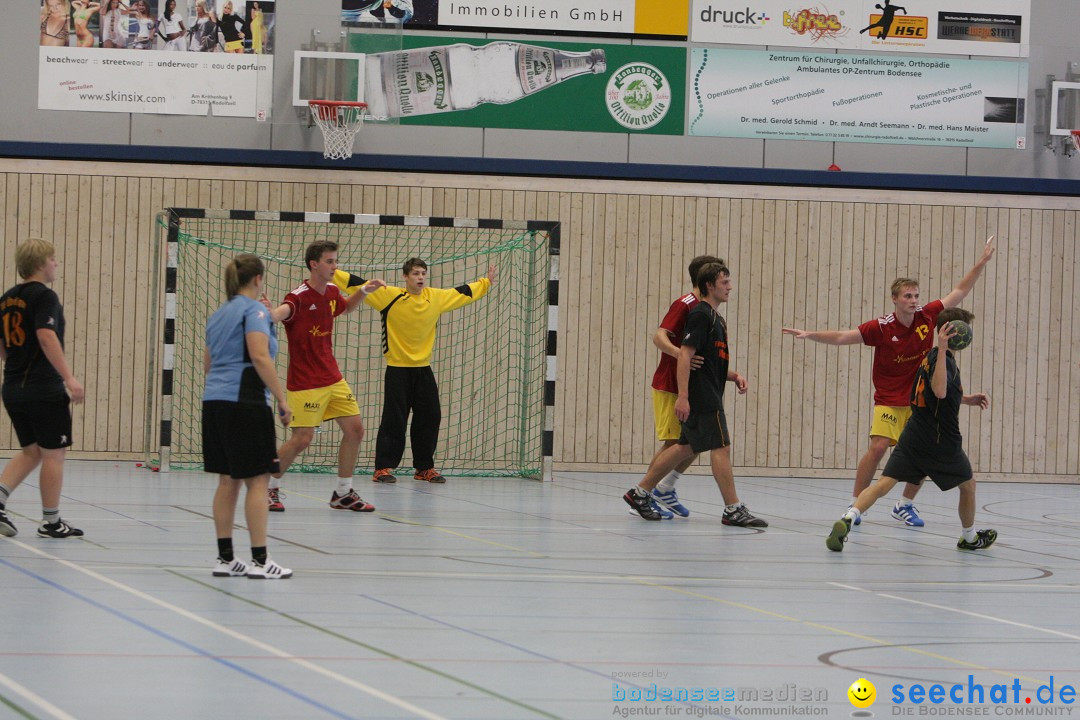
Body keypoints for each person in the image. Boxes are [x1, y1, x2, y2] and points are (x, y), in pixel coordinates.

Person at [782, 236, 995, 527]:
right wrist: (810, 334)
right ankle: (856, 502)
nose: (913, 301)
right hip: (888, 399)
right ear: (895, 299)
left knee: (924, 453)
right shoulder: (881, 327)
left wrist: (980, 263)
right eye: (907, 296)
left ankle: (904, 505)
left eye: (916, 296)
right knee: (879, 447)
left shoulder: (927, 316)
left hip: (919, 402)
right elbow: (844, 336)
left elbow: (960, 290)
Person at [827, 308, 996, 552]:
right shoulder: (941, 358)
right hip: (941, 438)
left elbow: (934, 394)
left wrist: (966, 398)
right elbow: (939, 391)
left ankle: (848, 517)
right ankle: (969, 538)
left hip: (914, 433)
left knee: (884, 483)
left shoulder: (928, 357)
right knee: (968, 485)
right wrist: (943, 349)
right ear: (950, 331)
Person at [623, 261, 767, 528]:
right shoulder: (696, 311)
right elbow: (678, 349)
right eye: (725, 282)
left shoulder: (715, 317)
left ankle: (642, 492)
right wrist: (683, 395)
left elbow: (709, 361)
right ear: (708, 285)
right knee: (717, 446)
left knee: (686, 446)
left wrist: (733, 375)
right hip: (696, 392)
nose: (730, 287)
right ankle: (732, 509)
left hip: (706, 389)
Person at [335, 258, 494, 485]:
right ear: (405, 277)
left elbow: (463, 292)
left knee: (430, 417)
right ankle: (383, 468)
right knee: (394, 419)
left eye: (423, 273)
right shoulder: (389, 295)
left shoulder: (435, 297)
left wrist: (485, 282)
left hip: (423, 370)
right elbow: (355, 283)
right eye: (416, 274)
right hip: (397, 370)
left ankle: (424, 468)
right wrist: (331, 272)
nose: (420, 277)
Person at [266, 241, 385, 512]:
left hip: (332, 377)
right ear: (314, 264)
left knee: (356, 430)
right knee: (302, 439)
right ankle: (268, 487)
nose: (335, 266)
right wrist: (269, 312)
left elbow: (343, 307)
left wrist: (364, 290)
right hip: (305, 382)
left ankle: (343, 493)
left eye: (335, 261)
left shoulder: (331, 291)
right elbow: (280, 313)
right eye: (330, 261)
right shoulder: (297, 297)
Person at [203, 255, 293, 579]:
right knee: (258, 480)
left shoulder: (217, 316)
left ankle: (225, 559)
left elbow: (208, 364)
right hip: (246, 400)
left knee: (227, 480)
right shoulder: (252, 311)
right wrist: (282, 399)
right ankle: (260, 560)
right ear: (258, 280)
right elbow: (258, 355)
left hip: (214, 401)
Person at [0, 239, 85, 539]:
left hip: (12, 387)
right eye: (53, 258)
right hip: (42, 388)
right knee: (54, 454)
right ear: (39, 264)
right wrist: (69, 378)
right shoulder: (45, 296)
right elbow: (46, 336)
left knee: (32, 451)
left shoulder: (7, 298)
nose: (56, 264)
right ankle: (51, 522)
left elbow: (3, 346)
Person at [639, 254, 720, 518]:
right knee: (674, 443)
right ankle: (644, 495)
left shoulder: (707, 308)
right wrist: (679, 354)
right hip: (669, 383)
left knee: (695, 440)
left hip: (691, 385)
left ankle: (665, 488)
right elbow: (659, 336)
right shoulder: (686, 304)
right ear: (706, 279)